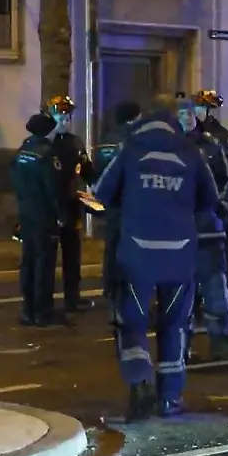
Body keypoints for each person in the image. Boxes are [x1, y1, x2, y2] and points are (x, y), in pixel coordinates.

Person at [94, 94, 220, 420]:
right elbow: (210, 199)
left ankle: (139, 381)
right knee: (175, 325)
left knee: (132, 322)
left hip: (137, 255)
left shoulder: (131, 148)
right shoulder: (190, 150)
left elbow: (102, 193)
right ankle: (170, 398)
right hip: (179, 256)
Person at [178, 95, 228, 362]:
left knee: (215, 287)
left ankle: (220, 340)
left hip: (206, 230)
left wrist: (223, 206)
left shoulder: (212, 147)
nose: (187, 118)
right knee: (181, 292)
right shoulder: (169, 148)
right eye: (181, 114)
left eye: (190, 113)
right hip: (180, 233)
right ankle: (182, 345)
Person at [193, 89, 228, 323]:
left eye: (202, 107)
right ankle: (196, 310)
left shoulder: (222, 138)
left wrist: (224, 204)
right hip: (197, 213)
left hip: (221, 211)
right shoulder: (189, 138)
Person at [11, 113, 70, 327]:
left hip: (26, 211)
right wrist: (61, 214)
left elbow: (14, 178)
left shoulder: (23, 150)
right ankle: (42, 312)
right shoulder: (47, 154)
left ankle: (27, 310)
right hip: (44, 215)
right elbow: (53, 188)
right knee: (44, 263)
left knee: (28, 261)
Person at [44, 95, 98, 314]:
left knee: (72, 254)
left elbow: (86, 170)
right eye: (60, 114)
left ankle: (72, 298)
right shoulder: (45, 144)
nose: (65, 119)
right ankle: (44, 302)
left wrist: (97, 186)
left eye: (67, 115)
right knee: (46, 256)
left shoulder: (75, 142)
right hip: (49, 206)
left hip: (71, 205)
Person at [95, 102, 143, 305]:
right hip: (128, 202)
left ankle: (109, 286)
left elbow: (99, 171)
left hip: (111, 204)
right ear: (134, 118)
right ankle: (125, 288)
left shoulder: (106, 140)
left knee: (111, 245)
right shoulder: (131, 140)